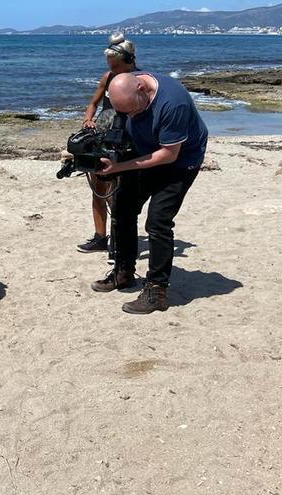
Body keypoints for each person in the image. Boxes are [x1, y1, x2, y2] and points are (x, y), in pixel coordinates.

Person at [92, 72, 208, 314]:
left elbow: (168, 154)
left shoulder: (173, 103)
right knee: (122, 207)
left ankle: (157, 291)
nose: (130, 116)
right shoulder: (129, 95)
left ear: (142, 89)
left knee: (158, 221)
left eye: (133, 111)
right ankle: (123, 272)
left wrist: (120, 167)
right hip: (145, 152)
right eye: (124, 112)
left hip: (180, 162)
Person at [77, 33, 139, 258]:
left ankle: (119, 241)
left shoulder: (140, 80)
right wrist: (88, 119)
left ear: (129, 61)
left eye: (116, 65)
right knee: (98, 188)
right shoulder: (108, 77)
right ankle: (100, 237)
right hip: (103, 137)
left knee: (118, 195)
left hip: (127, 142)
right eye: (110, 65)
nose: (113, 69)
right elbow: (93, 104)